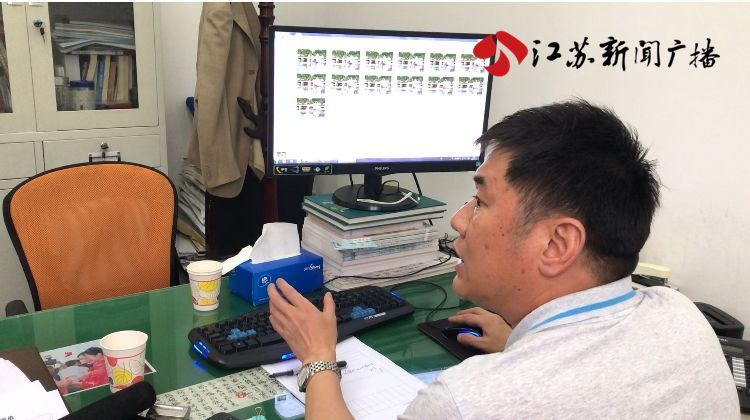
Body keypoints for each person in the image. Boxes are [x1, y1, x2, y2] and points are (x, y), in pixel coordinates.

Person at [267, 100, 739, 419]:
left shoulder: (473, 401)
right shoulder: (682, 316)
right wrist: (521, 342)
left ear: (557, 244)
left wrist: (318, 359)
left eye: (482, 202)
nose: (458, 220)